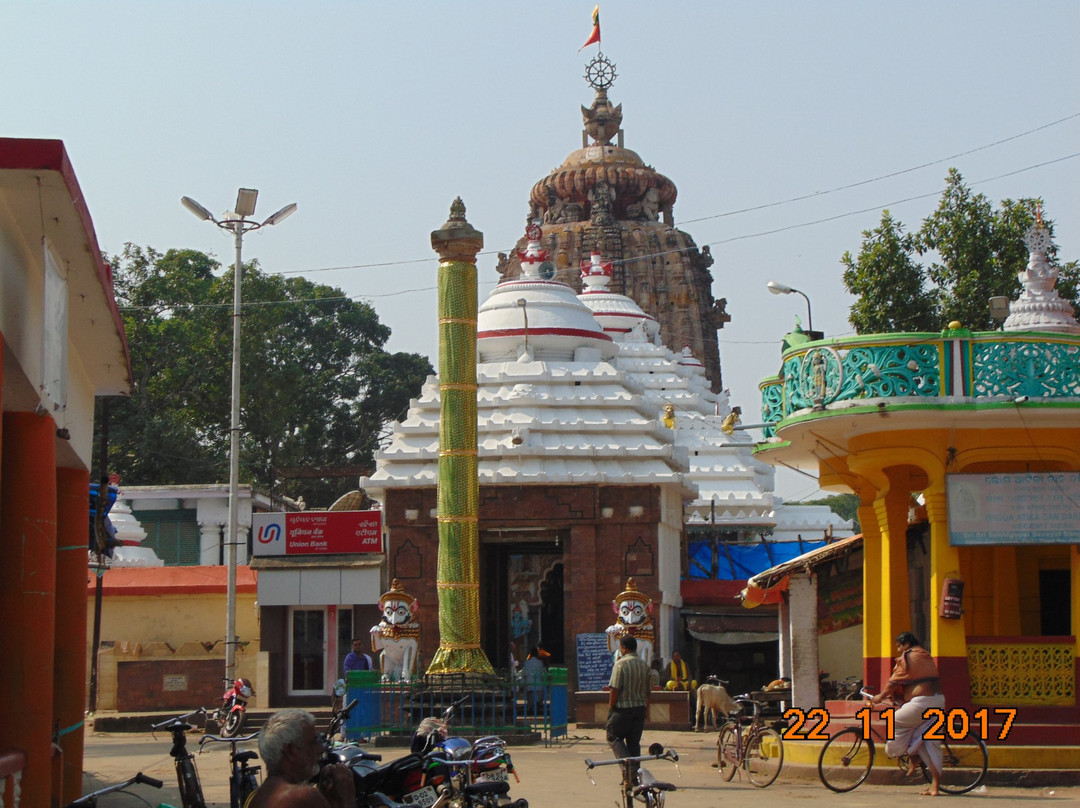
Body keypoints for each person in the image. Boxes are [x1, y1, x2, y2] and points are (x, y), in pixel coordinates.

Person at [869, 632, 945, 796]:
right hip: (937, 701)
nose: (898, 650)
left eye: (899, 646)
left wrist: (879, 697)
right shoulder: (925, 655)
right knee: (929, 742)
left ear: (907, 644)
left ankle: (912, 754)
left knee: (893, 721)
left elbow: (893, 682)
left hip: (922, 704)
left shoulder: (909, 657)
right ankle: (935, 786)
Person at [247, 709, 355, 808]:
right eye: (313, 743)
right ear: (291, 751)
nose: (321, 749)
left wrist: (327, 798)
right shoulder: (302, 797)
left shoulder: (260, 796)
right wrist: (347, 797)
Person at [606, 634, 650, 786]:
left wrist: (611, 707)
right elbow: (647, 691)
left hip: (623, 708)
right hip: (640, 708)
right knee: (633, 742)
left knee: (613, 736)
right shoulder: (644, 665)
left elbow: (614, 689)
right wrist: (647, 709)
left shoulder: (620, 664)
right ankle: (634, 776)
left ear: (624, 648)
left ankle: (628, 769)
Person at [522, 646, 548, 715]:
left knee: (530, 700)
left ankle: (529, 710)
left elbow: (524, 673)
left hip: (529, 685)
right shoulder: (540, 663)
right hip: (538, 685)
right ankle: (536, 708)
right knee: (538, 699)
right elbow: (543, 673)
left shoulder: (527, 663)